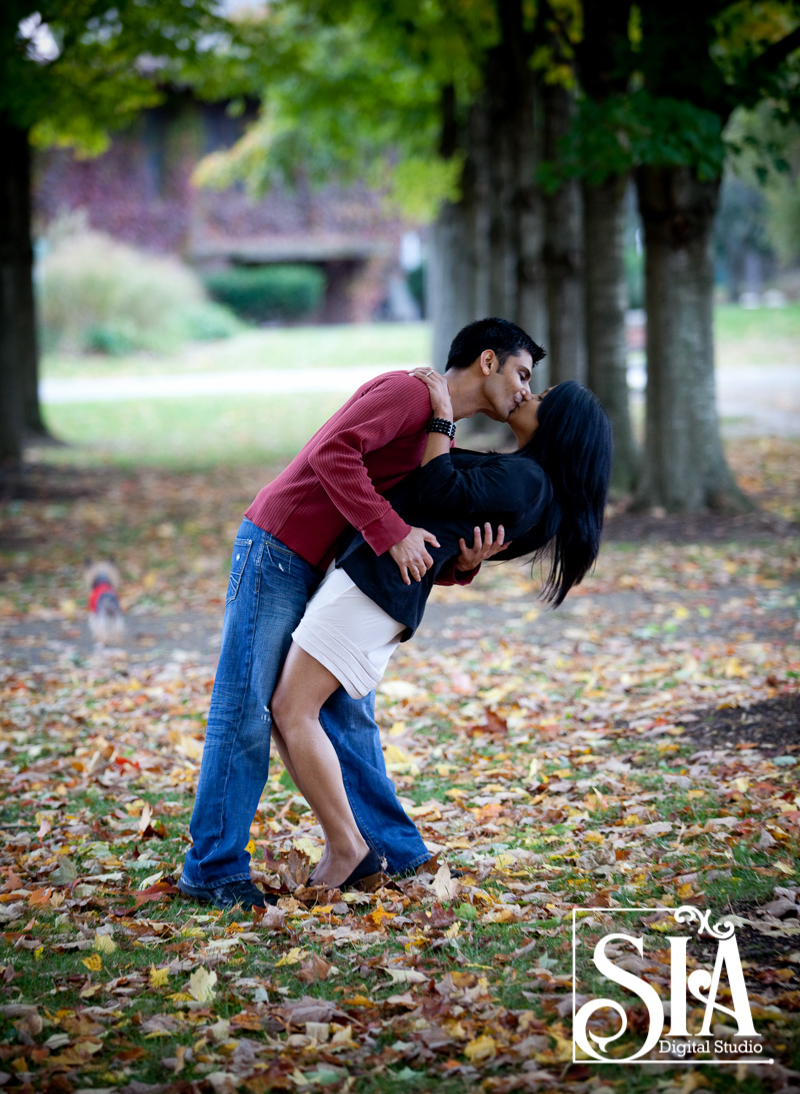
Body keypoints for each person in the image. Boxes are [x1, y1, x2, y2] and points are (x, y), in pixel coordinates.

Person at [179, 318, 545, 909]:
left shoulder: (439, 428)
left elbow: (420, 513)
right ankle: (214, 868)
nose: (526, 390)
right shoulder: (409, 392)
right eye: (522, 374)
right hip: (278, 546)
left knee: (347, 715)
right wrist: (391, 532)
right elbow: (332, 454)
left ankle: (387, 852)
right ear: (487, 361)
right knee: (247, 706)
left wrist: (462, 563)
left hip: (323, 568)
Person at [269, 378, 612, 890]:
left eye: (539, 399)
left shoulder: (529, 481)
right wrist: (465, 562)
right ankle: (348, 844)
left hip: (375, 590)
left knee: (293, 712)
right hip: (376, 588)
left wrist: (441, 418)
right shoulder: (529, 480)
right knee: (287, 714)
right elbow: (449, 523)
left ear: (558, 426)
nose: (526, 395)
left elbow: (436, 487)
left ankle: (348, 848)